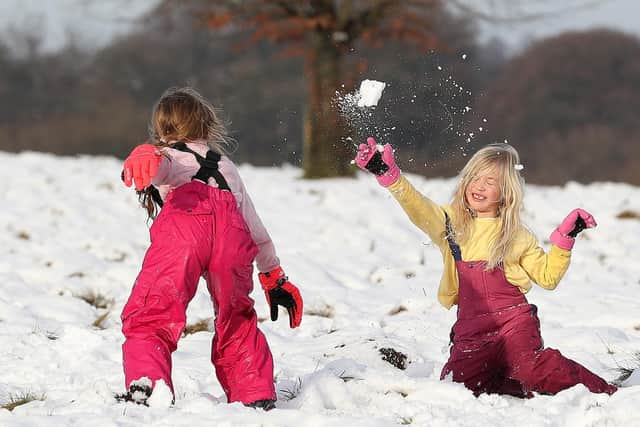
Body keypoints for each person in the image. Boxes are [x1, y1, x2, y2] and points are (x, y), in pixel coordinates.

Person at [355, 137, 617, 397]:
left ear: (505, 194)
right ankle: (506, 380)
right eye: (474, 178)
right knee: (455, 389)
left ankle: (601, 390)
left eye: (490, 182)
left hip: (514, 323)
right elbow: (420, 208)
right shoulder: (450, 225)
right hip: (471, 330)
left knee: (531, 368)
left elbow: (548, 277)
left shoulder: (515, 235)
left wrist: (564, 239)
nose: (479, 187)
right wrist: (391, 177)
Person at [117, 87, 303, 410]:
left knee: (153, 312)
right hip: (232, 239)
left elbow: (161, 167)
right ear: (207, 126)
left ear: (163, 129)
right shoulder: (227, 168)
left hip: (185, 232)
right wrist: (273, 275)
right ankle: (253, 393)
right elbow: (254, 227)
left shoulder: (172, 158)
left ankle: (147, 384)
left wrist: (145, 155)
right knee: (237, 317)